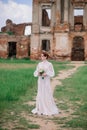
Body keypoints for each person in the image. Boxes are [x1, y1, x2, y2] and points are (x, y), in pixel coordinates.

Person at [31, 51, 59, 115]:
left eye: (43, 56)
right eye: (41, 56)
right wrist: (38, 73)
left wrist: (46, 74)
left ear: (46, 57)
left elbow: (52, 73)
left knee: (46, 92)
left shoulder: (49, 64)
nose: (42, 57)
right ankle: (40, 108)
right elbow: (36, 72)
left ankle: (48, 107)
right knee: (40, 92)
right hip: (40, 80)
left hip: (46, 80)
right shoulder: (39, 64)